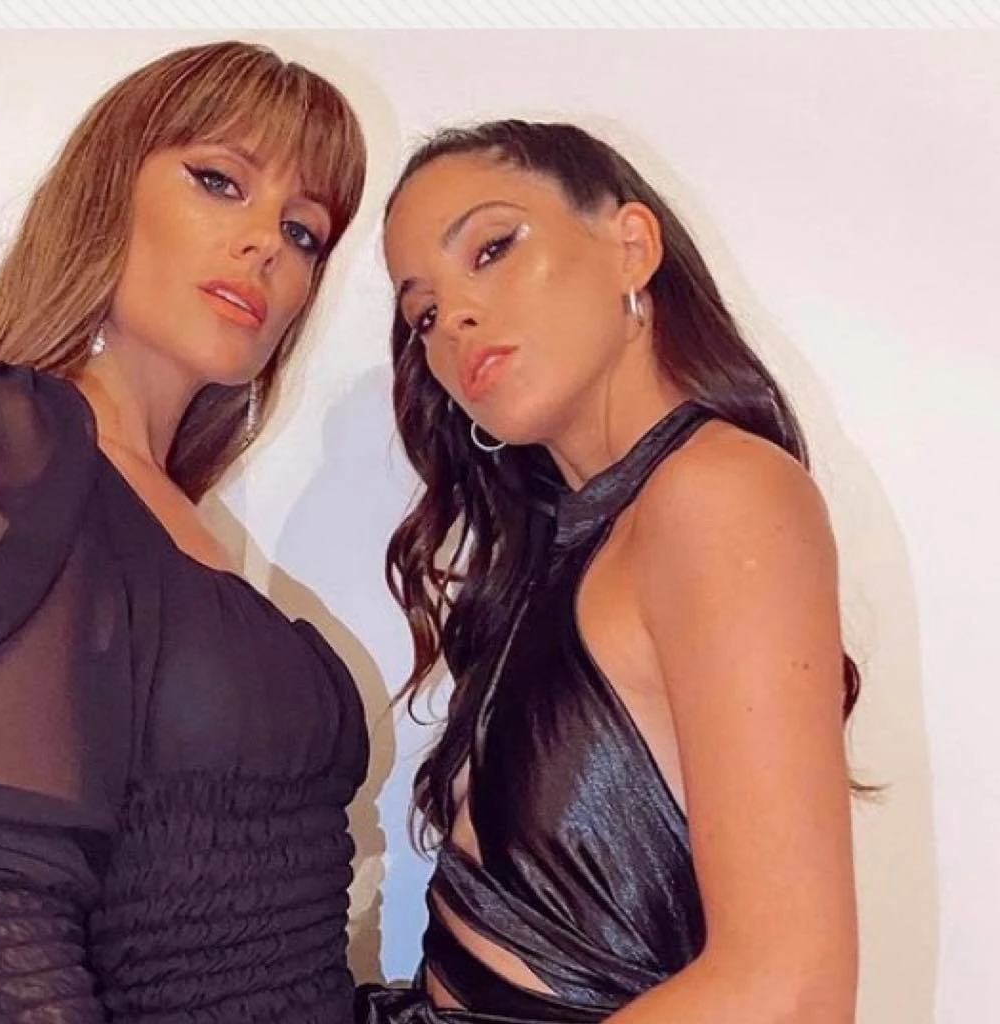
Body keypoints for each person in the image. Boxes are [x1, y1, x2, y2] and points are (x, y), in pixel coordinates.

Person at [0, 41, 371, 1024]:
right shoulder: (7, 444)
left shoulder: (178, 517)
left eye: (302, 231)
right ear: (107, 190)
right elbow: (9, 934)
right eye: (219, 181)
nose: (265, 245)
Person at [361, 120, 862, 1023]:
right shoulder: (555, 556)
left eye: (493, 248)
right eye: (422, 312)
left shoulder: (720, 495)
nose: (454, 318)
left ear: (631, 246)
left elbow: (787, 989)